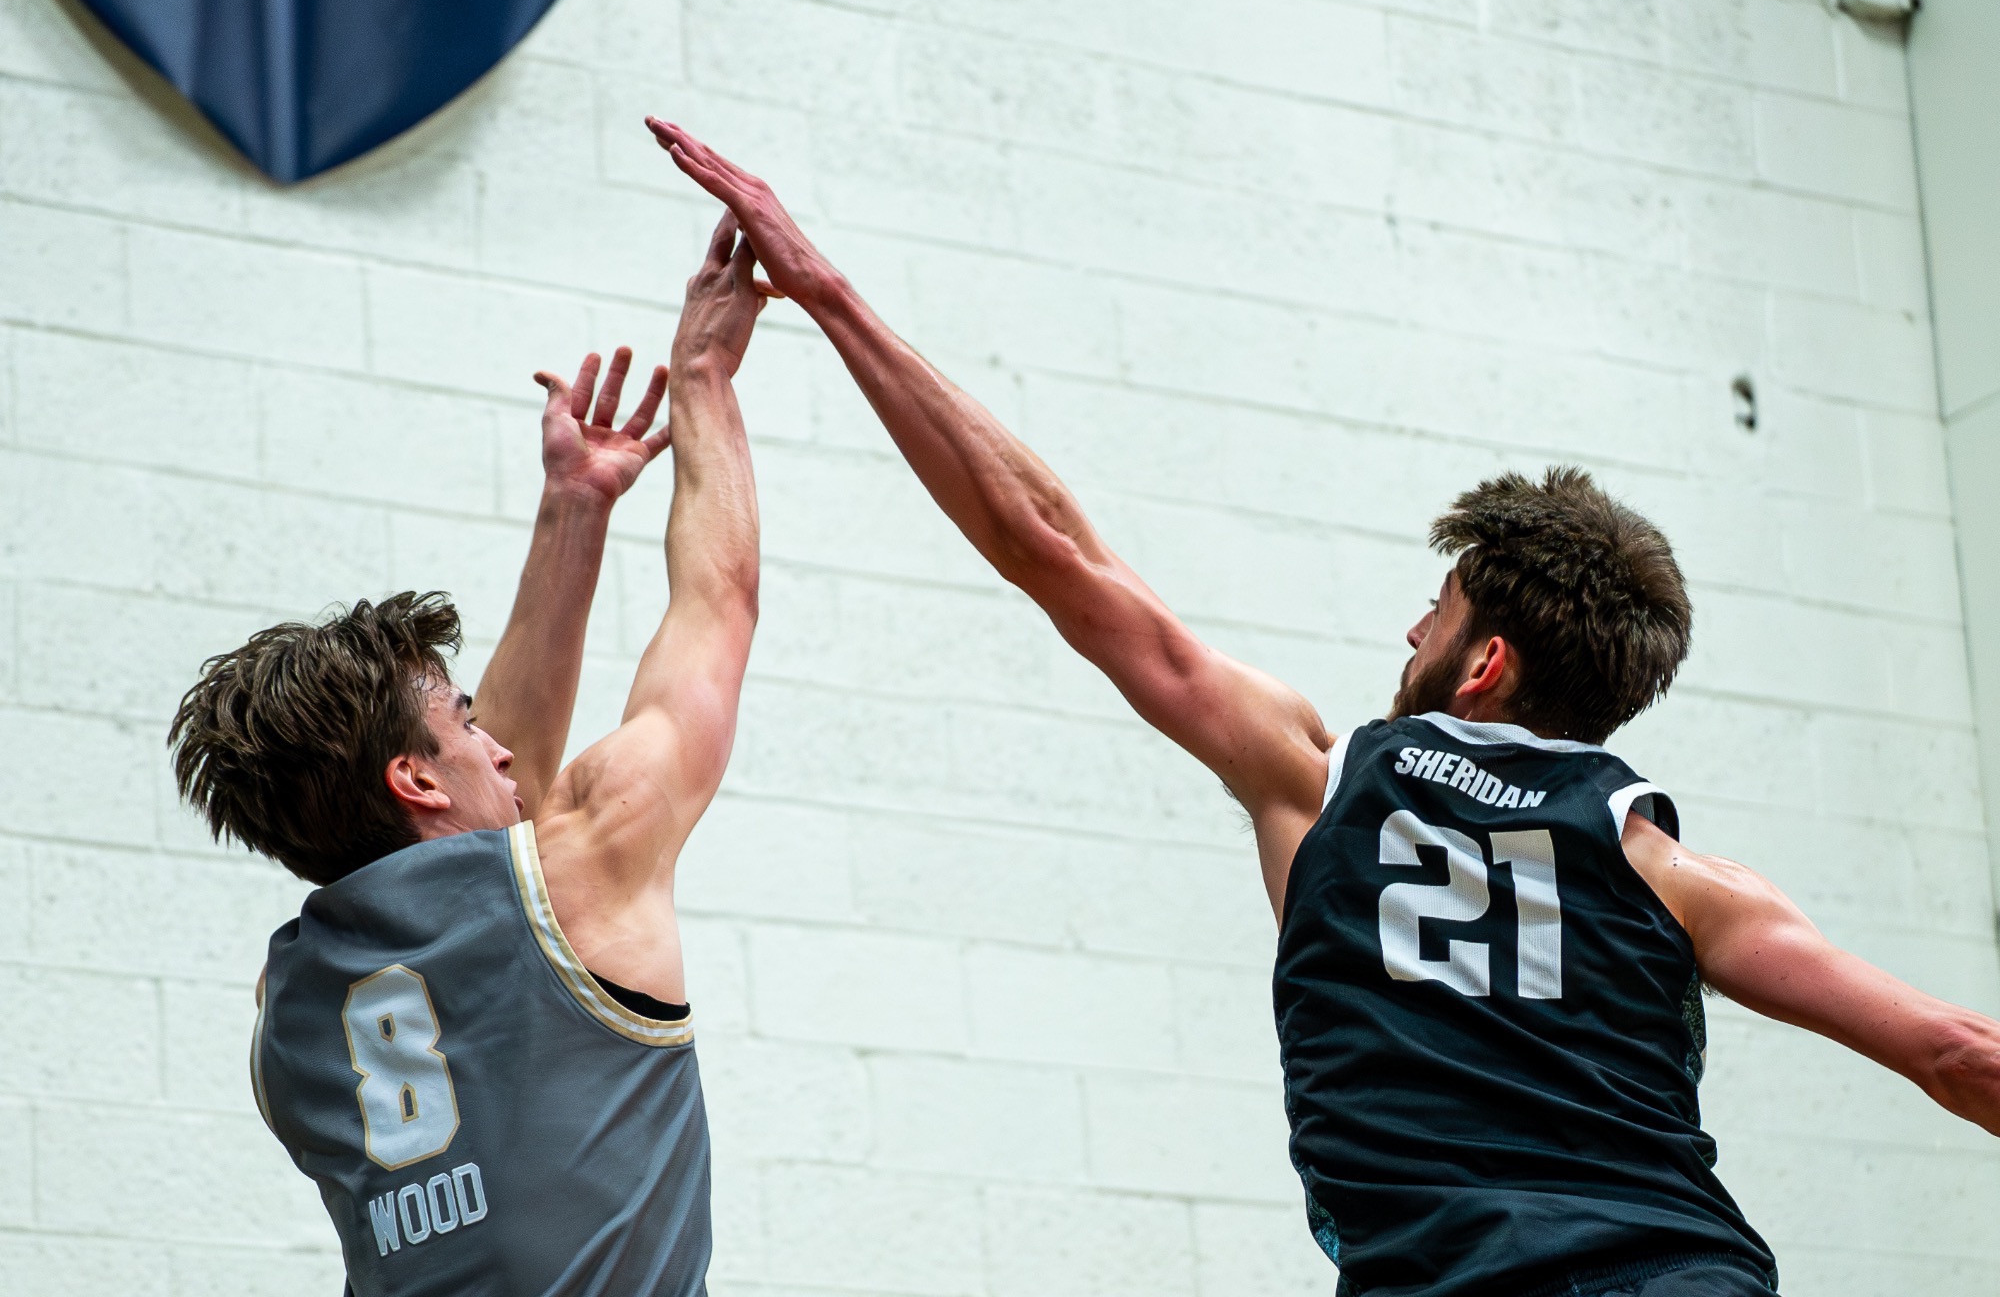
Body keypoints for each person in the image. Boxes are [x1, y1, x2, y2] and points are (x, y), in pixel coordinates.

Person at [650, 119, 2000, 1297]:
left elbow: (1048, 548)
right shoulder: (1685, 876)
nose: (1410, 628)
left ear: (1484, 666)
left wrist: (827, 293)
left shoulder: (1328, 776)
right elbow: (1953, 1051)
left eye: (1440, 609)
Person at [170, 217, 766, 1296]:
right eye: (462, 722)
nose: (500, 743)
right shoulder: (582, 866)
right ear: (414, 777)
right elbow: (716, 607)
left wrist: (575, 505)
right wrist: (704, 379)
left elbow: (487, 831)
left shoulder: (286, 1008)